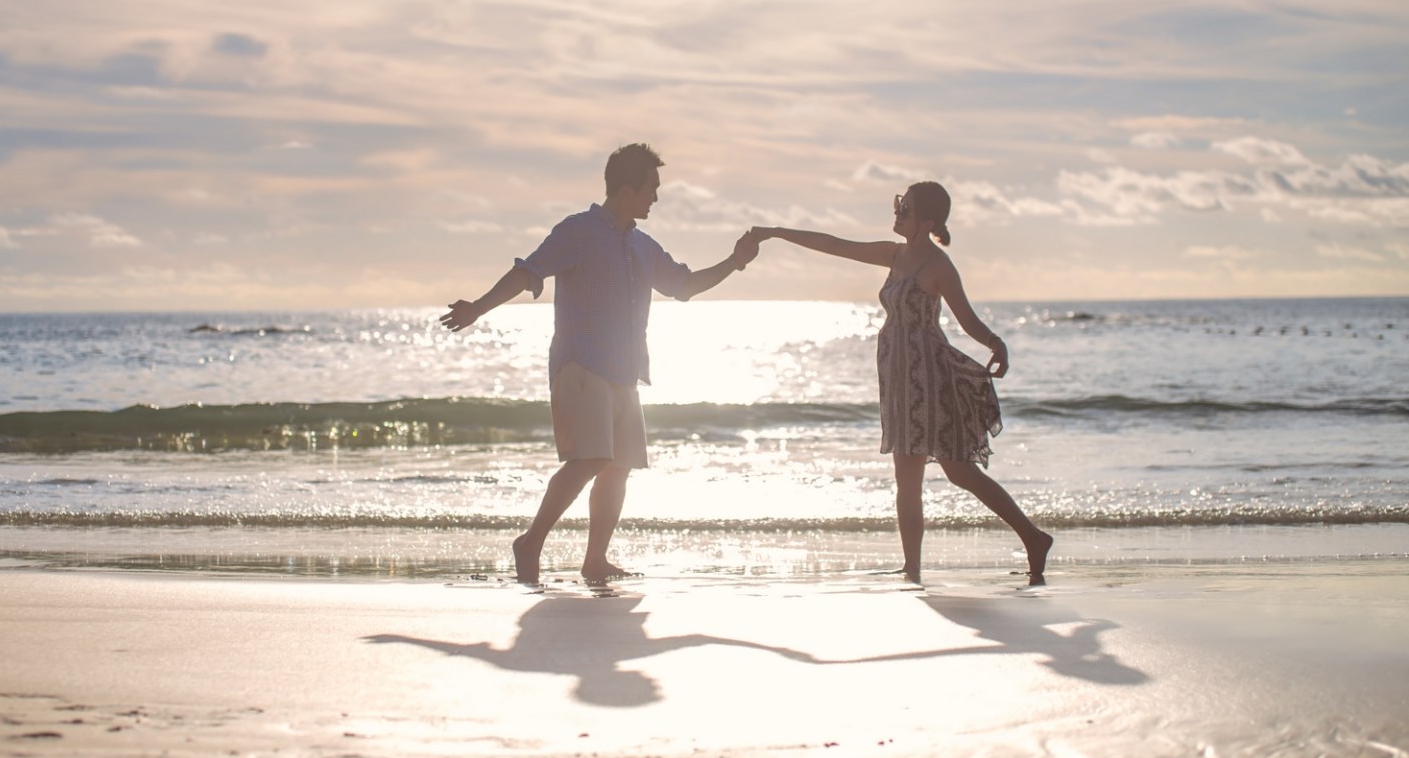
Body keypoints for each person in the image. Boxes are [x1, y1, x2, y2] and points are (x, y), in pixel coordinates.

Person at [442, 143, 759, 585]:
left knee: (620, 465)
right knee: (590, 459)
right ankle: (530, 541)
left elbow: (685, 285)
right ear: (627, 188)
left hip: (625, 370)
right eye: (651, 188)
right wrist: (477, 307)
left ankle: (595, 559)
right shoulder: (579, 231)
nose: (655, 197)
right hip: (581, 364)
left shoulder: (644, 246)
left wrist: (734, 263)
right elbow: (527, 271)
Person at [751, 181, 1052, 586]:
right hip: (897, 375)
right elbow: (835, 244)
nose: (897, 212)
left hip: (929, 377)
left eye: (905, 208)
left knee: (959, 472)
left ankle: (1032, 538)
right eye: (898, 203)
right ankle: (913, 567)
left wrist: (996, 344)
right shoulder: (894, 254)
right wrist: (777, 232)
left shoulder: (939, 267)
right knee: (907, 474)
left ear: (927, 221)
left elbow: (966, 319)